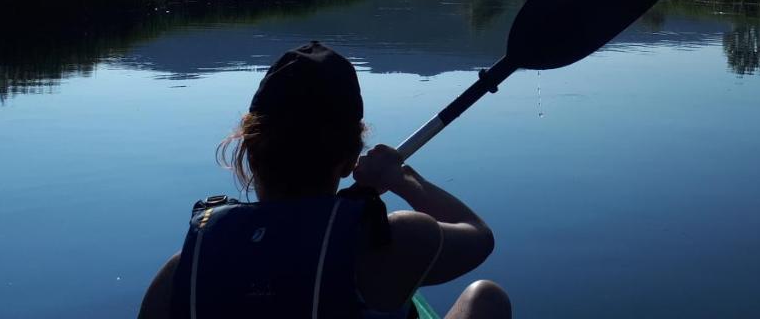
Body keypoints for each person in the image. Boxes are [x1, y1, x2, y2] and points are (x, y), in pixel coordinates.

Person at [138, 41, 511, 319]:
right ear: (349, 159)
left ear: (249, 152)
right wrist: (401, 178)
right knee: (485, 297)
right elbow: (479, 235)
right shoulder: (393, 241)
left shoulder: (182, 269)